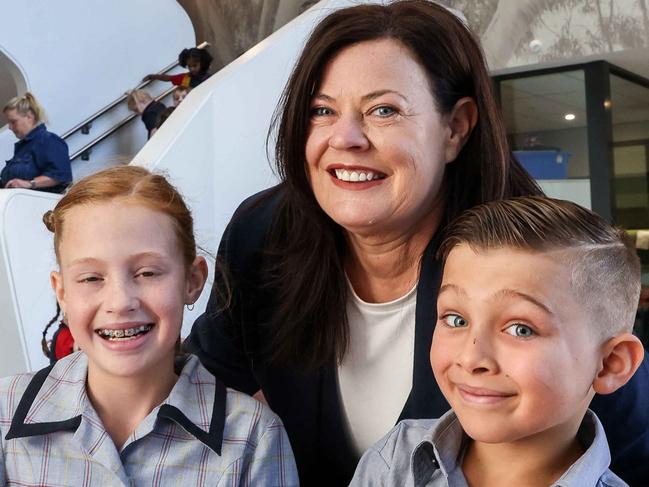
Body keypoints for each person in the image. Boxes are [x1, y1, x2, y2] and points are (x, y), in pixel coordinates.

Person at [184, 1, 649, 485]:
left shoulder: (535, 259)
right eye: (321, 110)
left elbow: (632, 450)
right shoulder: (264, 233)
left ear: (456, 128)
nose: (344, 137)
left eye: (383, 110)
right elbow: (206, 386)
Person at [0, 166, 298, 486]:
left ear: (193, 280)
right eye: (91, 278)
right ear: (62, 293)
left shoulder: (253, 437)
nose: (120, 301)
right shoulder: (5, 413)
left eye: (148, 273)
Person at [350, 196, 645, 486]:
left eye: (520, 329)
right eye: (456, 320)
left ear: (610, 364)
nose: (470, 358)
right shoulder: (391, 461)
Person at [1, 92, 72, 193]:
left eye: (13, 122)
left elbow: (61, 175)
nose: (10, 127)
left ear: (29, 117)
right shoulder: (23, 147)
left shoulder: (49, 140)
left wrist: (30, 183)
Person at [143, 47, 213, 89]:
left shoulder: (208, 75)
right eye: (189, 66)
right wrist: (152, 76)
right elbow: (169, 78)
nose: (192, 69)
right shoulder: (187, 78)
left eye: (194, 66)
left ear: (202, 63)